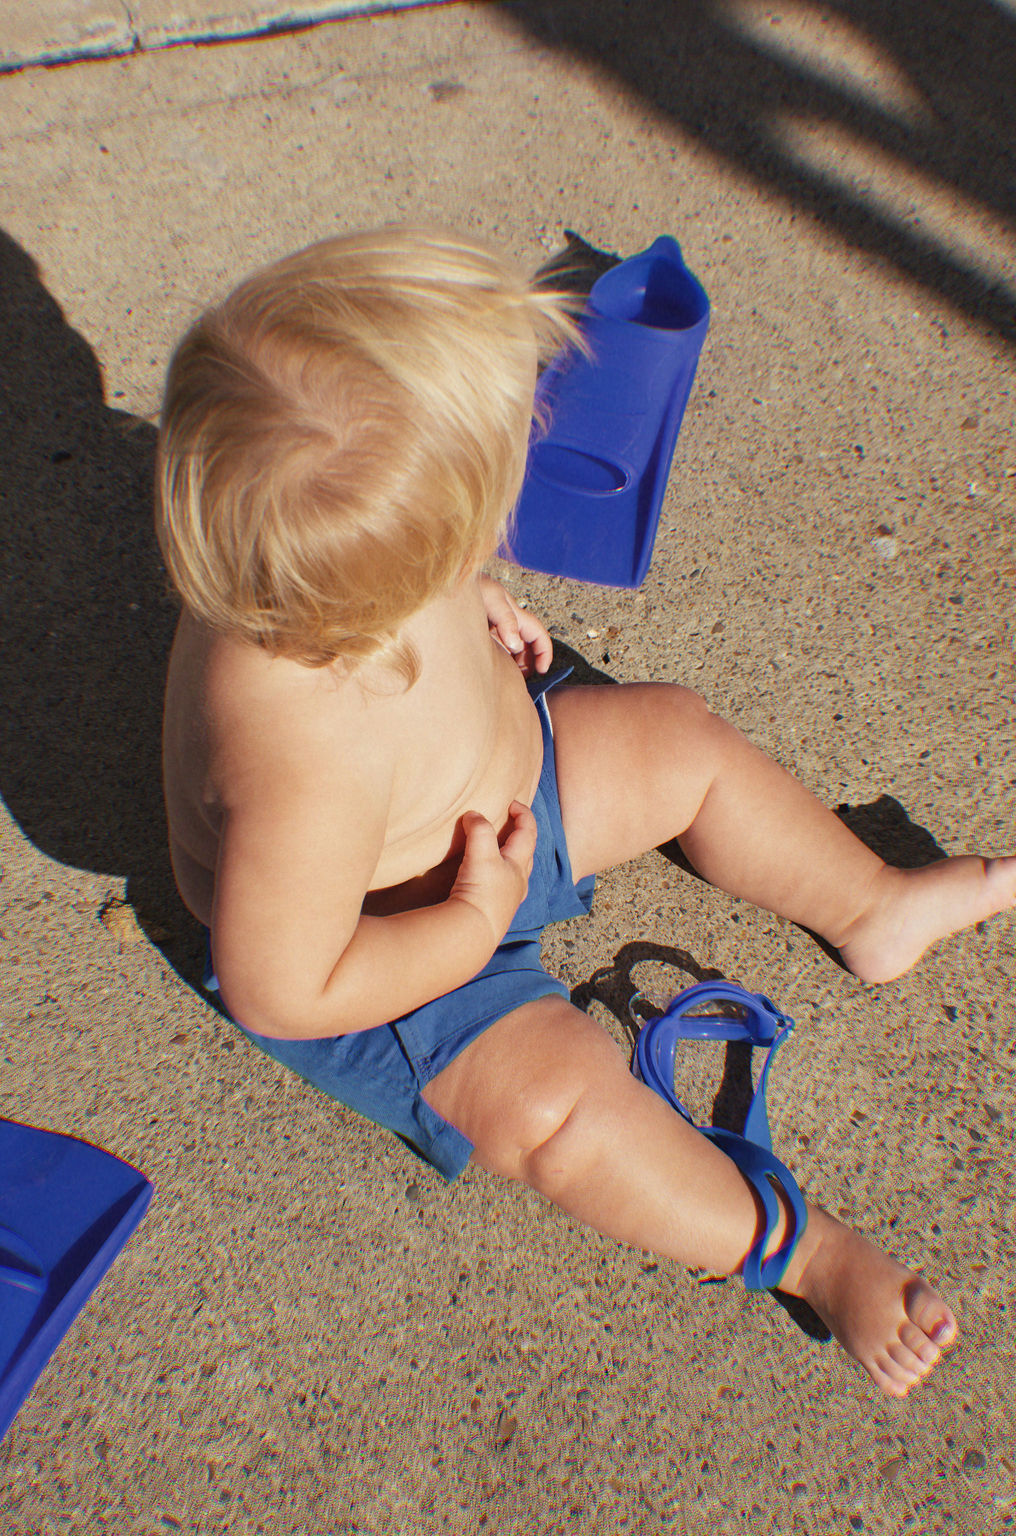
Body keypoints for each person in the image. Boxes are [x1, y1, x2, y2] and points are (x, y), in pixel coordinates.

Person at [157, 225, 1015, 1398]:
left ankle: (871, 905)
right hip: (398, 957)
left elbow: (410, 565)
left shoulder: (322, 562)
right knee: (558, 1105)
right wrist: (468, 924)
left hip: (499, 801)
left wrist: (473, 599)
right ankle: (799, 1251)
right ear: (396, 579)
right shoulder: (299, 762)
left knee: (674, 736)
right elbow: (280, 985)